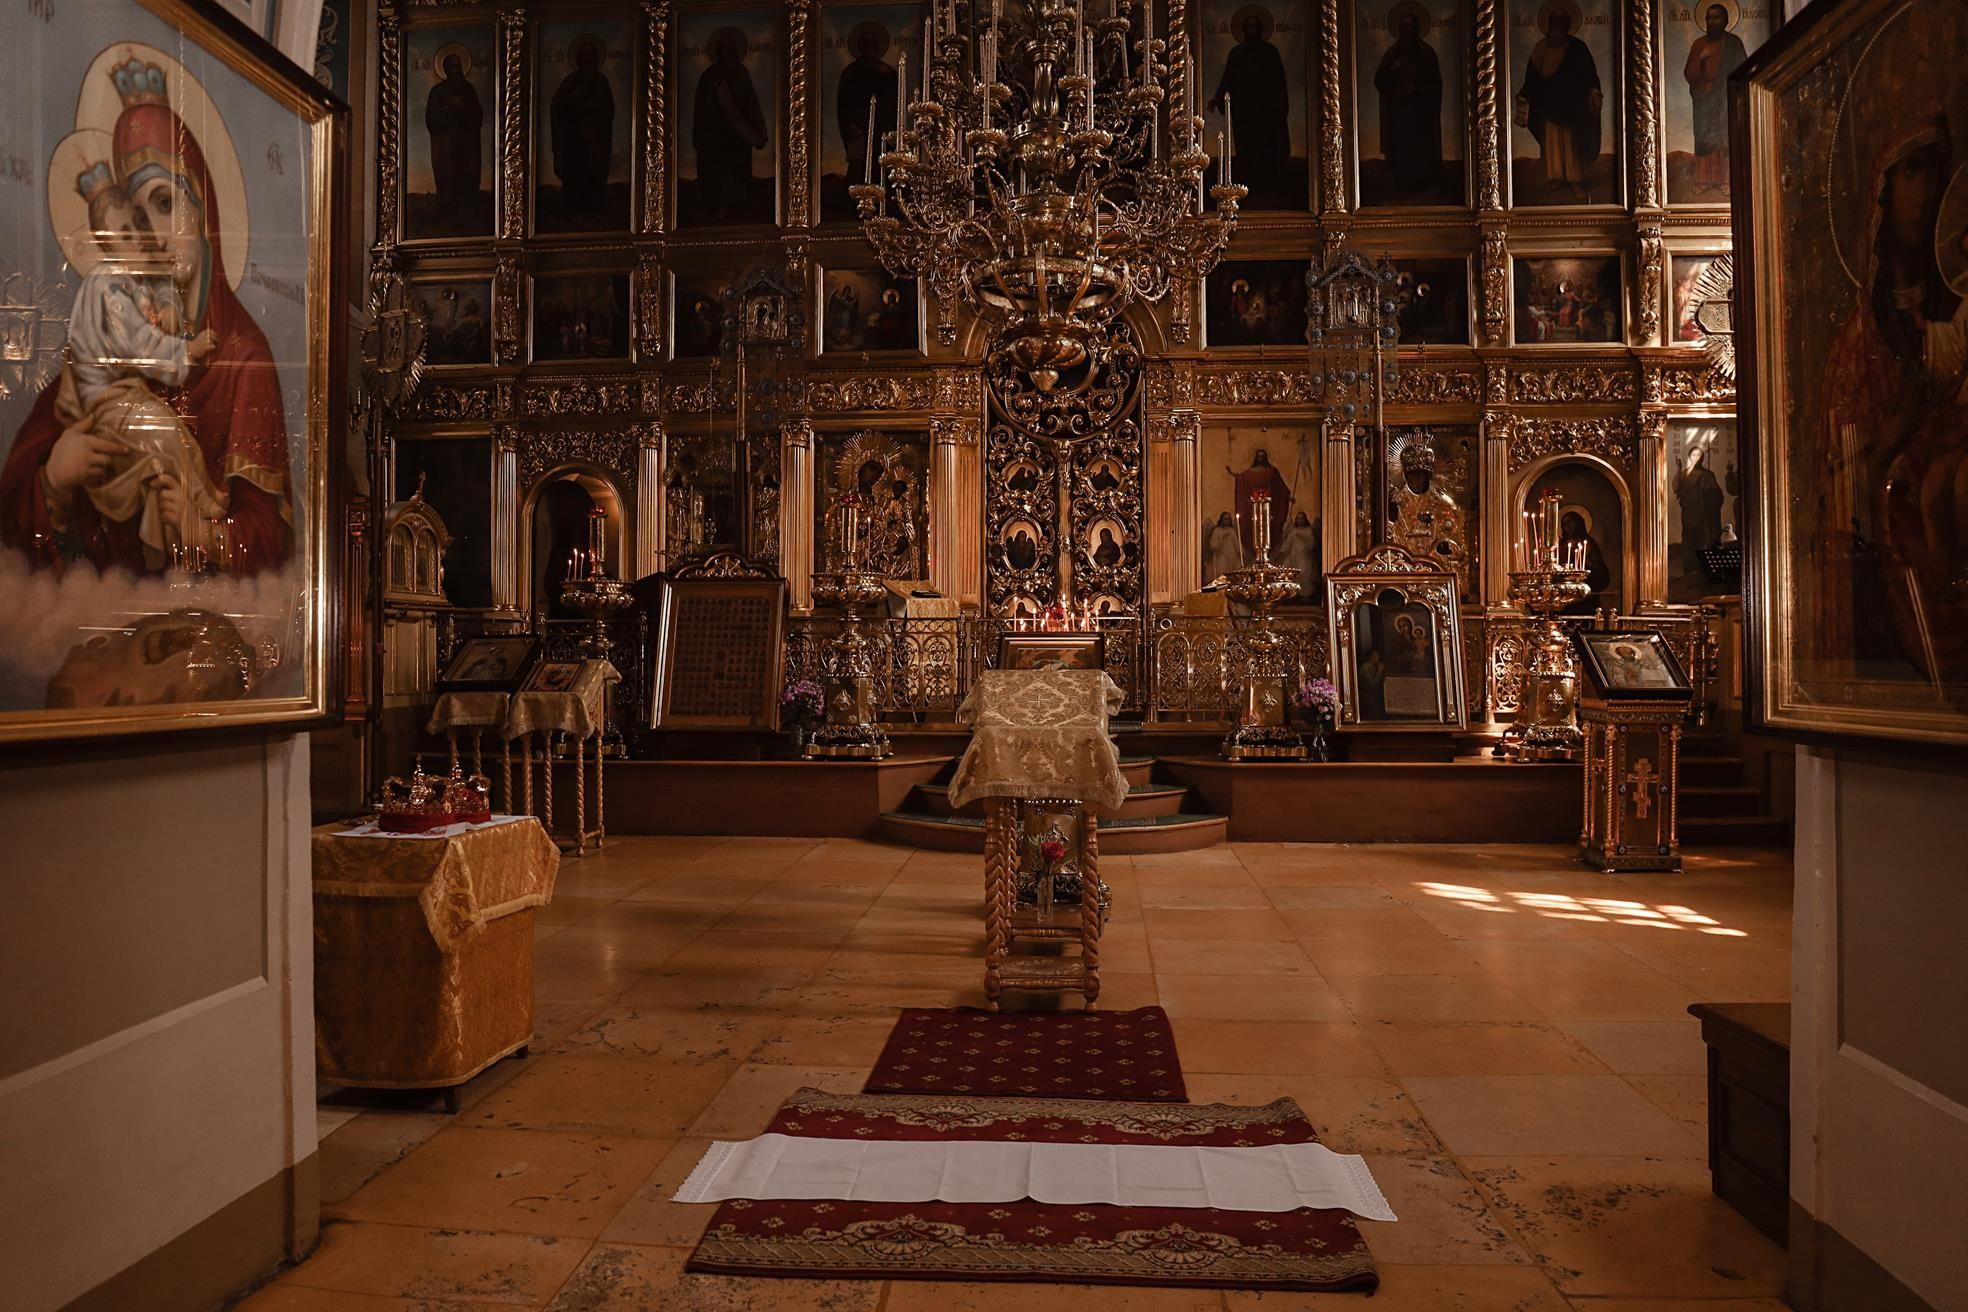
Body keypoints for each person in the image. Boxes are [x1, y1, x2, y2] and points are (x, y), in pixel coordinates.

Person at [4, 58, 295, 576]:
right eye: (137, 219)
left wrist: (203, 533)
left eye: (164, 203)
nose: (152, 237)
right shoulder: (111, 331)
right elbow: (17, 503)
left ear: (202, 205)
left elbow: (274, 540)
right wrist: (54, 477)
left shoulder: (243, 360)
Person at [59, 166, 227, 570]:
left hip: (126, 396)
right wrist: (189, 350)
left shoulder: (126, 280)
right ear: (104, 244)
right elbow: (137, 343)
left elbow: (157, 285)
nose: (140, 239)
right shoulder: (105, 285)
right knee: (166, 434)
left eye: (137, 229)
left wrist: (168, 305)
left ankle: (203, 499)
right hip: (107, 401)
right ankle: (202, 501)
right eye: (126, 234)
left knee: (174, 434)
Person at [1517, 6, 1602, 202]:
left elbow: (1590, 76)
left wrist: (1594, 91)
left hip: (1572, 105)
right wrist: (1526, 93)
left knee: (1571, 143)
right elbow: (1532, 76)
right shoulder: (1540, 48)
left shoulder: (1578, 49)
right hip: (1548, 104)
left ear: (1567, 28)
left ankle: (1574, 180)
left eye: (1561, 26)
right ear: (1548, 26)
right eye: (1554, 25)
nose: (1557, 29)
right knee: (1552, 144)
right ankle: (1555, 178)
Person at [1211, 10, 1292, 202]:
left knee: (1268, 150)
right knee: (1248, 152)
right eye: (1249, 27)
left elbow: (1279, 82)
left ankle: (1268, 189)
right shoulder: (1237, 54)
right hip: (1244, 114)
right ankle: (1248, 190)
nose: (1252, 31)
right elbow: (1227, 79)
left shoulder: (1270, 52)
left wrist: (1278, 107)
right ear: (1244, 30)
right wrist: (1217, 98)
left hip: (1266, 113)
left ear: (1261, 30)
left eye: (1256, 27)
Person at [692, 27, 769, 224]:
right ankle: (719, 207)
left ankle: (738, 207)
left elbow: (751, 102)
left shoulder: (742, 74)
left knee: (738, 171)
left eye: (730, 50)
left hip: (738, 137)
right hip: (716, 135)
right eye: (723, 50)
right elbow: (703, 108)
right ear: (718, 53)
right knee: (717, 173)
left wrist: (759, 130)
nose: (727, 54)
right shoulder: (711, 76)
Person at [1374, 6, 1444, 200]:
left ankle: (1422, 185)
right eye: (1403, 27)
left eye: (1410, 27)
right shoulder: (1393, 53)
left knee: (1419, 150)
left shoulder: (1427, 54)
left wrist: (1418, 90)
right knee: (1400, 148)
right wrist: (1394, 70)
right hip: (1398, 112)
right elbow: (1379, 79)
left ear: (1417, 29)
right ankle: (1401, 184)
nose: (1407, 31)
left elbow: (1435, 86)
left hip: (1420, 113)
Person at [1683, 4, 1747, 198]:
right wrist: (1701, 57)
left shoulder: (1734, 44)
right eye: (1709, 18)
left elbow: (1743, 71)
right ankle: (1703, 181)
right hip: (1704, 101)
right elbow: (1689, 74)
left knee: (1724, 140)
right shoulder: (1699, 45)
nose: (1713, 22)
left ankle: (1726, 181)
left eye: (1717, 18)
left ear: (1726, 21)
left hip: (1724, 99)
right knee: (1704, 139)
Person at [550, 37, 615, 220]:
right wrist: (573, 102)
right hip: (575, 141)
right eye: (584, 56)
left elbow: (607, 110)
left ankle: (594, 211)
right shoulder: (570, 82)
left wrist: (591, 106)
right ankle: (573, 211)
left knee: (594, 176)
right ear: (579, 59)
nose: (588, 59)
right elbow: (558, 107)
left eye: (591, 55)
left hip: (595, 141)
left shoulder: (601, 81)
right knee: (575, 176)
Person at [837, 21, 897, 190]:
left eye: (872, 43)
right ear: (860, 46)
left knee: (882, 167)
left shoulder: (889, 73)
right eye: (866, 43)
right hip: (859, 131)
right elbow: (844, 106)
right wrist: (851, 125)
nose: (869, 47)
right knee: (859, 169)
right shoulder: (851, 73)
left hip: (883, 130)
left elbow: (894, 105)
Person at [426, 51, 483, 219]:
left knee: (467, 178)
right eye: (452, 66)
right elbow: (431, 120)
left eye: (458, 65)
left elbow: (477, 116)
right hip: (447, 149)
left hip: (467, 148)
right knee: (448, 180)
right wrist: (447, 109)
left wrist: (462, 106)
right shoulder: (437, 92)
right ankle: (447, 215)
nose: (456, 69)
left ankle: (467, 215)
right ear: (445, 69)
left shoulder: (468, 90)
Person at [1230, 448, 1293, 559]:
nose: (1260, 458)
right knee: (1252, 528)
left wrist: (1288, 496)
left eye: (1262, 456)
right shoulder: (1250, 473)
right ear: (1255, 458)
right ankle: (1256, 555)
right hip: (1252, 510)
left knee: (1268, 530)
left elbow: (1280, 487)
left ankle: (1266, 554)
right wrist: (1235, 475)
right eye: (1258, 456)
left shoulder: (1273, 472)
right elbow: (1242, 477)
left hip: (1269, 511)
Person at [1676, 444, 1725, 556]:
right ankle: (1689, 567)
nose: (1696, 457)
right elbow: (1677, 488)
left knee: (1703, 539)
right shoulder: (1684, 474)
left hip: (1703, 513)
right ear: (1689, 457)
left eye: (1699, 455)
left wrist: (1711, 497)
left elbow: (1717, 495)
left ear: (1702, 458)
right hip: (1689, 512)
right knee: (1689, 538)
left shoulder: (1708, 475)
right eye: (1694, 455)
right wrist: (1678, 469)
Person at [1558, 509, 1612, 613]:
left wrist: (1587, 564)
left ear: (1578, 523)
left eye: (1570, 522)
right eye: (1564, 524)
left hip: (1586, 597)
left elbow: (1601, 573)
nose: (1567, 526)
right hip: (1565, 600)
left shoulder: (1589, 544)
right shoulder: (1560, 546)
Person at [1280, 509, 1321, 596]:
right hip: (1294, 556)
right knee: (1291, 570)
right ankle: (1296, 593)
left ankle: (1306, 594)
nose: (1300, 520)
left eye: (1302, 518)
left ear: (1305, 519)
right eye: (1298, 518)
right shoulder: (1294, 531)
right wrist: (1282, 552)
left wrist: (1304, 538)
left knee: (1304, 573)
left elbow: (1313, 543)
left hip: (1305, 556)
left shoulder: (1309, 530)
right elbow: (1288, 542)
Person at [1203, 510, 1243, 583]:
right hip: (1221, 556)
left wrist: (1240, 552)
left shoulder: (1232, 531)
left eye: (1228, 519)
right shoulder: (1217, 531)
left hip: (1232, 557)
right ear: (1221, 520)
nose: (1226, 521)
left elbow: (1237, 544)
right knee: (1221, 575)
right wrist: (1222, 539)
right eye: (1225, 519)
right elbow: (1212, 545)